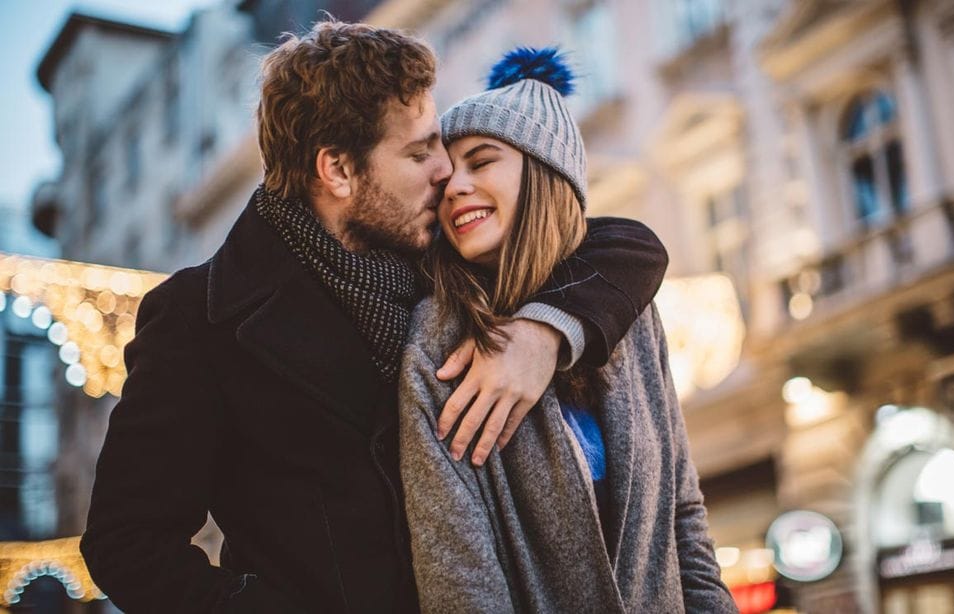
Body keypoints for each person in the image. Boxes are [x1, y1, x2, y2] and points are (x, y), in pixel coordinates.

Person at [80, 20, 669, 614]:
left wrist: (544, 332)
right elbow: (126, 544)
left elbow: (621, 245)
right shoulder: (202, 318)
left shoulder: (438, 256)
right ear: (337, 170)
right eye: (418, 152)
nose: (445, 171)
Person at [399, 48, 737, 613]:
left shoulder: (628, 318)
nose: (454, 186)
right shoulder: (438, 343)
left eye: (481, 162)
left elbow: (682, 516)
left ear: (546, 174)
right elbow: (458, 576)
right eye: (448, 173)